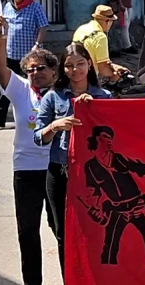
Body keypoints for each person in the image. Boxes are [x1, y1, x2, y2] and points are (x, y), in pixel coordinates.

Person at [34, 43, 112, 274]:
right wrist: (55, 125)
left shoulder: (104, 96)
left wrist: (94, 109)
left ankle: (95, 276)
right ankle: (70, 277)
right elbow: (38, 137)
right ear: (63, 69)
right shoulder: (52, 97)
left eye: (80, 64)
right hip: (60, 172)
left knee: (95, 229)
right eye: (69, 65)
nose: (75, 70)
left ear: (89, 64)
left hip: (93, 177)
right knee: (63, 232)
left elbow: (115, 135)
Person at [0, 14, 56, 284]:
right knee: (27, 231)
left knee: (62, 230)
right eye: (30, 69)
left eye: (41, 68)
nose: (35, 73)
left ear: (54, 71)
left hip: (57, 170)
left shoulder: (65, 93)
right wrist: (1, 36)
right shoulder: (21, 90)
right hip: (26, 170)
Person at [80, 126, 145, 268]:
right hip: (117, 210)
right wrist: (95, 209)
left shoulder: (119, 159)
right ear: (97, 138)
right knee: (109, 249)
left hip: (137, 207)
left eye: (111, 138)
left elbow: (142, 168)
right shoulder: (91, 166)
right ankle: (108, 278)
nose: (109, 141)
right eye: (105, 137)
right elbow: (93, 190)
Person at [0, 0, 49, 128]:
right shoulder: (7, 7)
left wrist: (37, 45)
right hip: (10, 54)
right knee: (7, 86)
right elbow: (1, 27)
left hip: (28, 56)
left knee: (30, 86)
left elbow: (43, 27)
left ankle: (35, 115)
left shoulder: (35, 7)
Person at [72, 5, 130, 82]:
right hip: (87, 78)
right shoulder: (100, 37)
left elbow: (100, 59)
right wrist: (114, 75)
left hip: (74, 74)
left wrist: (113, 66)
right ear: (108, 21)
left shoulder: (81, 29)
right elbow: (103, 68)